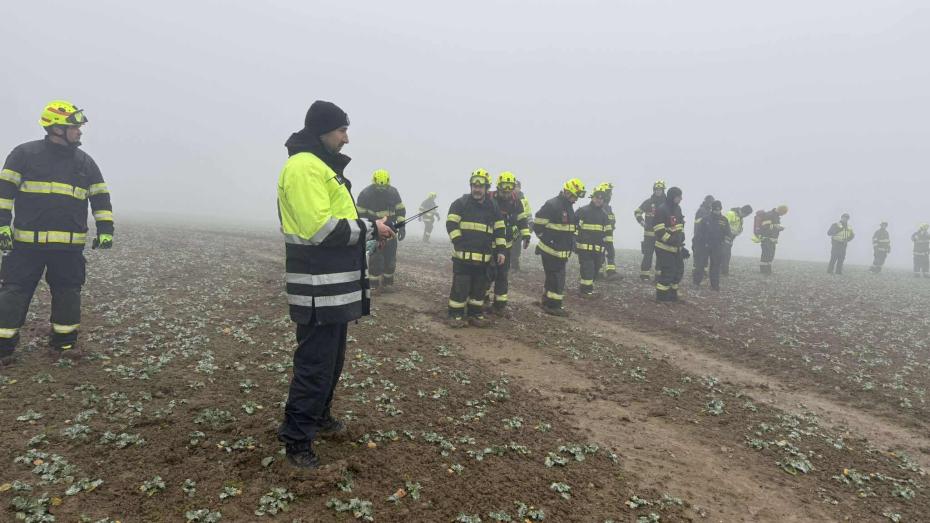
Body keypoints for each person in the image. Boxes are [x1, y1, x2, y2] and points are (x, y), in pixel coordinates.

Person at [276, 100, 394, 469]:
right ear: (323, 131)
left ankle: (319, 417)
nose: (346, 138)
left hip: (334, 290)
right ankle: (297, 442)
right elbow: (320, 229)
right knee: (314, 366)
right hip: (318, 290)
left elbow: (340, 224)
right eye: (342, 130)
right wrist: (370, 227)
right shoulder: (304, 167)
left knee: (331, 363)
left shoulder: (322, 167)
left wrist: (371, 235)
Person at [0, 100, 114, 366]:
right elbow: (4, 193)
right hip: (26, 246)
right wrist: (2, 225)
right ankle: (3, 346)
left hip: (68, 249)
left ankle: (64, 344)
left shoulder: (85, 162)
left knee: (68, 293)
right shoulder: (24, 154)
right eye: (74, 127)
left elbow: (100, 197)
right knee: (14, 292)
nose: (80, 131)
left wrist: (106, 230)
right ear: (56, 128)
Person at [446, 169, 506, 327]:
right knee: (461, 287)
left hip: (484, 258)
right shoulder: (460, 203)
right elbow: (451, 223)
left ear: (486, 188)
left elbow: (500, 229)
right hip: (463, 258)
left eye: (480, 187)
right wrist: (458, 241)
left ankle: (475, 314)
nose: (477, 189)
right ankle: (455, 315)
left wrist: (501, 250)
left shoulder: (493, 206)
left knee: (479, 288)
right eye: (474, 186)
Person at [535, 179, 584, 315]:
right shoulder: (552, 205)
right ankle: (553, 306)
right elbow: (538, 225)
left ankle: (548, 302)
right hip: (550, 250)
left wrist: (572, 243)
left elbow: (569, 229)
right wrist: (549, 241)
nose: (576, 199)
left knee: (553, 278)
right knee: (556, 279)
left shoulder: (568, 206)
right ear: (567, 192)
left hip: (561, 252)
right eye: (575, 196)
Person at [487, 172, 529, 316]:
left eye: (509, 190)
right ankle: (482, 301)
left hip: (506, 246)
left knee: (502, 275)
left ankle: (499, 305)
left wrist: (526, 235)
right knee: (486, 275)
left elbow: (522, 220)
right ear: (498, 187)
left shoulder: (516, 202)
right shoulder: (489, 198)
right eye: (504, 190)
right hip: (489, 245)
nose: (506, 193)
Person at [357, 170, 405, 292]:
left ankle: (387, 283)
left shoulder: (393, 192)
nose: (382, 189)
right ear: (374, 182)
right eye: (379, 187)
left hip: (391, 231)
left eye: (384, 187)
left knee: (390, 258)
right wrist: (369, 229)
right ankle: (373, 285)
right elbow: (360, 215)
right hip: (374, 231)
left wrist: (402, 226)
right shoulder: (365, 194)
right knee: (375, 259)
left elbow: (400, 210)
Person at [575, 184, 611, 296]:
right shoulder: (583, 211)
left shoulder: (604, 215)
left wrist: (609, 248)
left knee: (595, 270)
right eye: (597, 197)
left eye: (601, 198)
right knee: (588, 269)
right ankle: (586, 291)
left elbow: (608, 233)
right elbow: (575, 228)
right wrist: (574, 243)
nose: (599, 200)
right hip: (584, 249)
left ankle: (586, 288)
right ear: (592, 198)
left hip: (598, 250)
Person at [654, 187, 688, 301]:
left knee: (678, 271)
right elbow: (659, 231)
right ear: (673, 197)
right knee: (668, 272)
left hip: (675, 248)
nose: (681, 199)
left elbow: (680, 226)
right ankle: (661, 297)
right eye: (679, 197)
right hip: (664, 248)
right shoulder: (661, 209)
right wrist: (672, 241)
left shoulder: (678, 209)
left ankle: (672, 296)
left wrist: (681, 245)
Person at [693, 201, 730, 290]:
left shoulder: (724, 220)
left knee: (715, 266)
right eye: (715, 209)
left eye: (719, 209)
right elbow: (699, 233)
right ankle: (696, 282)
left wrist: (727, 242)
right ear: (712, 209)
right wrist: (695, 244)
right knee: (700, 265)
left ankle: (715, 285)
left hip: (717, 246)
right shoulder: (705, 219)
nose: (717, 211)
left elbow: (728, 233)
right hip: (704, 245)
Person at [634, 180, 667, 280]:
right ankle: (644, 274)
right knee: (648, 255)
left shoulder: (667, 203)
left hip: (662, 235)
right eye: (656, 189)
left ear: (663, 190)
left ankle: (659, 276)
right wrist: (642, 222)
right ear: (654, 190)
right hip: (649, 234)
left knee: (661, 256)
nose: (658, 191)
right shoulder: (648, 202)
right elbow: (637, 212)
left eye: (660, 189)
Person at [721, 205, 753, 275]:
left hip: (731, 238)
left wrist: (736, 233)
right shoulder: (731, 214)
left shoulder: (740, 218)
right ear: (744, 212)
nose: (746, 216)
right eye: (746, 214)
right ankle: (723, 272)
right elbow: (723, 225)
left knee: (727, 255)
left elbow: (737, 228)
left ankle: (724, 271)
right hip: (724, 237)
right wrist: (726, 234)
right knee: (724, 255)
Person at [756, 205, 788, 275]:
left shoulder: (775, 216)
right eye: (783, 213)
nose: (782, 215)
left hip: (772, 239)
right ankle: (763, 271)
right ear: (781, 211)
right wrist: (777, 227)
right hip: (767, 238)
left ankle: (768, 270)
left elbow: (771, 226)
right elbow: (765, 226)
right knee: (766, 255)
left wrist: (778, 228)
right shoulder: (770, 215)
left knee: (770, 255)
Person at [691, 195, 715, 283]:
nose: (711, 204)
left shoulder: (708, 211)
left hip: (706, 237)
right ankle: (696, 271)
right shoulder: (702, 211)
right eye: (710, 202)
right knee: (698, 255)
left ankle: (703, 271)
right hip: (700, 237)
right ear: (707, 202)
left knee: (705, 255)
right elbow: (699, 224)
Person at [598, 182, 620, 279]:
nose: (611, 195)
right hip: (603, 235)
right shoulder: (602, 206)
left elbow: (611, 221)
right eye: (609, 193)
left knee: (608, 252)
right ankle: (606, 273)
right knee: (603, 253)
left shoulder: (606, 207)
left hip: (608, 235)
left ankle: (607, 272)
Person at [510, 180, 532, 272]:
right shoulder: (509, 198)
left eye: (517, 187)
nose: (515, 189)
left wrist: (530, 224)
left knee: (516, 246)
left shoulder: (524, 200)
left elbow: (528, 213)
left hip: (520, 227)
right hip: (510, 226)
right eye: (513, 187)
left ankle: (515, 265)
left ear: (520, 188)